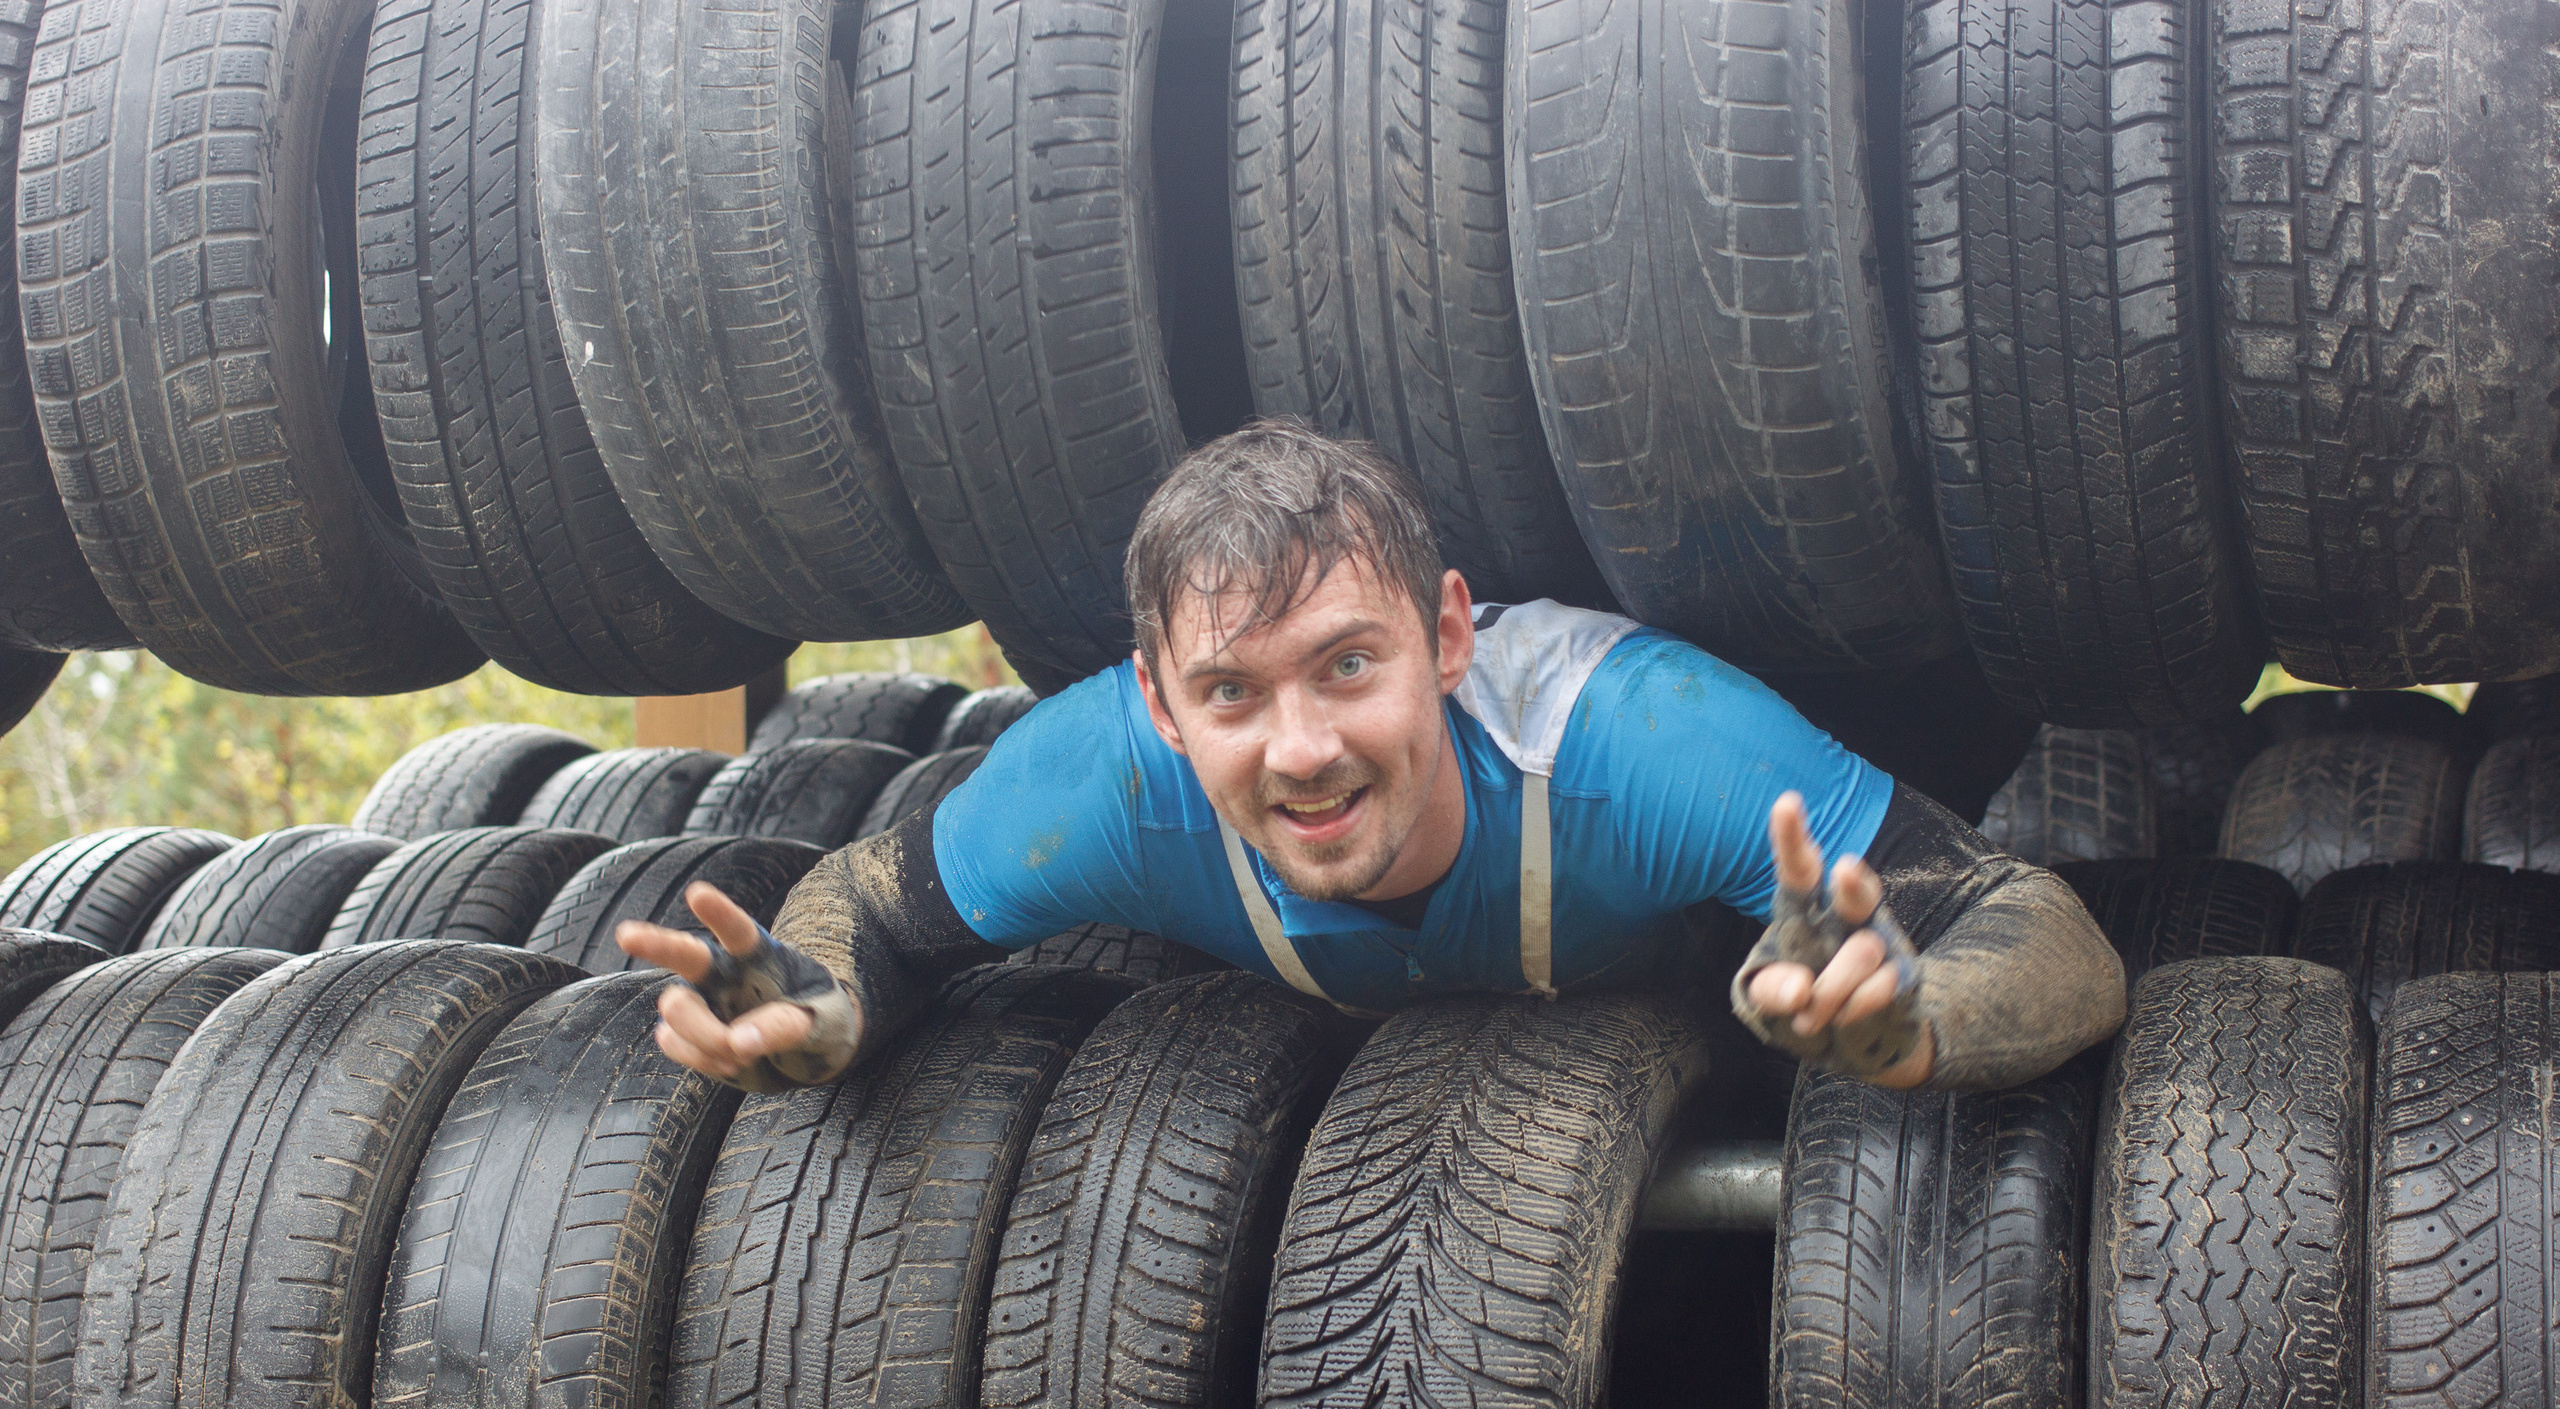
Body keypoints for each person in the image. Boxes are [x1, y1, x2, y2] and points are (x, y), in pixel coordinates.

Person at [619, 420, 2125, 1095]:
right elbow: (866, 907)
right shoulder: (1102, 783)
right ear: (1157, 703)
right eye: (1231, 694)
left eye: (1350, 665)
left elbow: (2041, 925)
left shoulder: (1646, 739)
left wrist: (1922, 1014)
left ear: (1451, 636)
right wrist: (814, 1016)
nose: (1302, 751)